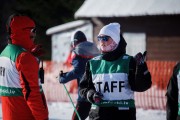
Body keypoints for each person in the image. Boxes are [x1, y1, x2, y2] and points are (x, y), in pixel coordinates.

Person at [79, 23, 152, 120]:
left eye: (105, 38)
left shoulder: (129, 62)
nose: (102, 42)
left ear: (115, 40)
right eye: (99, 38)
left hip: (123, 115)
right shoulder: (93, 63)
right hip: (99, 114)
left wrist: (141, 66)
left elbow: (141, 86)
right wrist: (92, 95)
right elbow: (83, 88)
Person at [0, 14, 48, 120]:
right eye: (32, 30)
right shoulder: (24, 57)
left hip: (9, 114)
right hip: (25, 115)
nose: (34, 34)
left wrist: (31, 55)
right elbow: (31, 93)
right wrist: (42, 117)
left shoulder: (4, 53)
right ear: (24, 31)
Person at [59, 30, 100, 120]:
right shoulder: (94, 49)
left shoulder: (77, 51)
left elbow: (79, 71)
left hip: (85, 95)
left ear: (74, 42)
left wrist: (63, 78)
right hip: (99, 93)